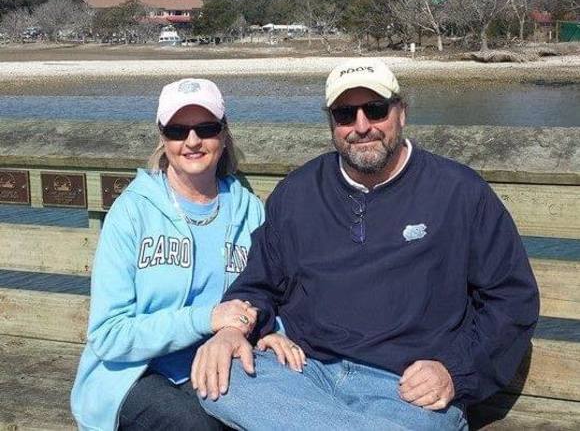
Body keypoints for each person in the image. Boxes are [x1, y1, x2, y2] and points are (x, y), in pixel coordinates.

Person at [192, 59, 540, 431]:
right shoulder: (298, 193)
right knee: (222, 379)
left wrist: (455, 373)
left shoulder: (459, 192)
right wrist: (234, 330)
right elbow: (258, 283)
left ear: (401, 113)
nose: (361, 126)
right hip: (304, 372)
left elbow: (511, 299)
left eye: (375, 109)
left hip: (406, 388)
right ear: (331, 123)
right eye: (345, 114)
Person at [71, 78, 303, 431]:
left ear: (223, 134)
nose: (192, 141)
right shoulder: (132, 212)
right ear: (163, 137)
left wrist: (273, 330)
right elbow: (108, 334)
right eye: (178, 131)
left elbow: (271, 290)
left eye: (206, 128)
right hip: (133, 375)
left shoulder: (249, 210)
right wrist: (205, 319)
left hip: (219, 365)